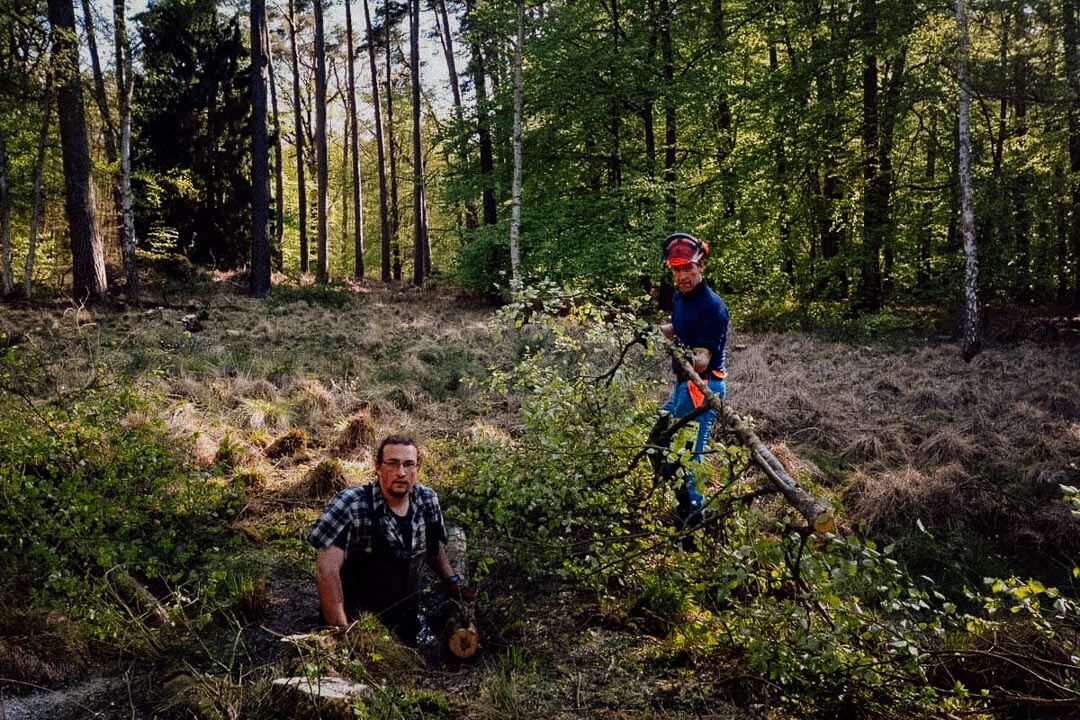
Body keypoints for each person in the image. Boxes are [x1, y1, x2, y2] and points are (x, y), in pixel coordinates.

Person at [308, 434, 474, 642]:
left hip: (404, 623)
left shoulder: (427, 500)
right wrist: (342, 632)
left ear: (417, 468)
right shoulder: (351, 504)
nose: (401, 472)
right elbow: (326, 570)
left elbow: (434, 551)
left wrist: (452, 581)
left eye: (408, 464)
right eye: (393, 464)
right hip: (358, 626)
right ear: (378, 467)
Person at [652, 232, 730, 547]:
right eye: (677, 270)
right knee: (658, 441)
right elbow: (678, 327)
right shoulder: (679, 297)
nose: (682, 276)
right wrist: (654, 332)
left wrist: (684, 353)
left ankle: (692, 525)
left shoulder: (713, 307)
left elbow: (701, 361)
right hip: (683, 386)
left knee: (686, 457)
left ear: (700, 266)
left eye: (688, 268)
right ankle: (681, 503)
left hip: (703, 387)